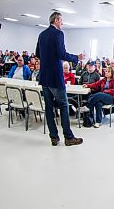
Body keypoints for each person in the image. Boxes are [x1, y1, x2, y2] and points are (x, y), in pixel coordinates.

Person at [35, 11, 84, 146]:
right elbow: (62, 54)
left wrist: (48, 59)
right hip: (55, 77)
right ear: (56, 20)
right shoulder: (58, 34)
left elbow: (37, 53)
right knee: (63, 106)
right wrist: (77, 58)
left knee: (49, 107)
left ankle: (54, 137)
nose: (62, 23)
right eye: (61, 20)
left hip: (44, 76)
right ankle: (68, 137)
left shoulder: (42, 34)